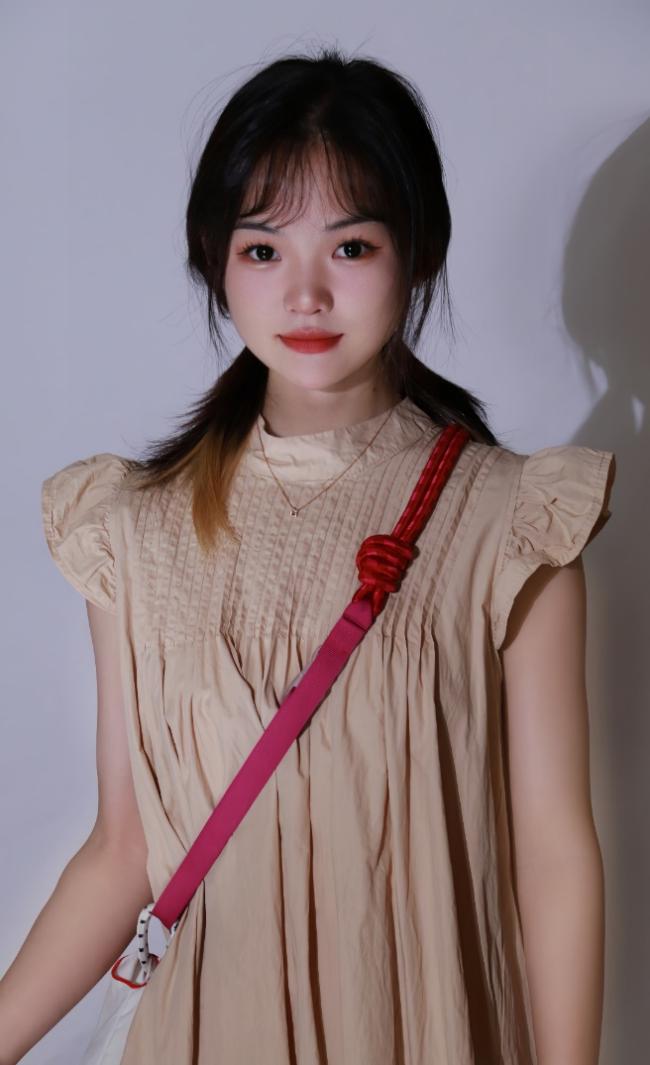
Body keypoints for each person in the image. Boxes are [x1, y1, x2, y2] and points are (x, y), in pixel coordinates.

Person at [0, 45, 616, 1065]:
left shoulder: (512, 521)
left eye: (350, 245)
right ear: (214, 262)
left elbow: (552, 857)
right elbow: (125, 850)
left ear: (418, 250)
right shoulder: (134, 529)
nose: (305, 294)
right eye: (262, 250)